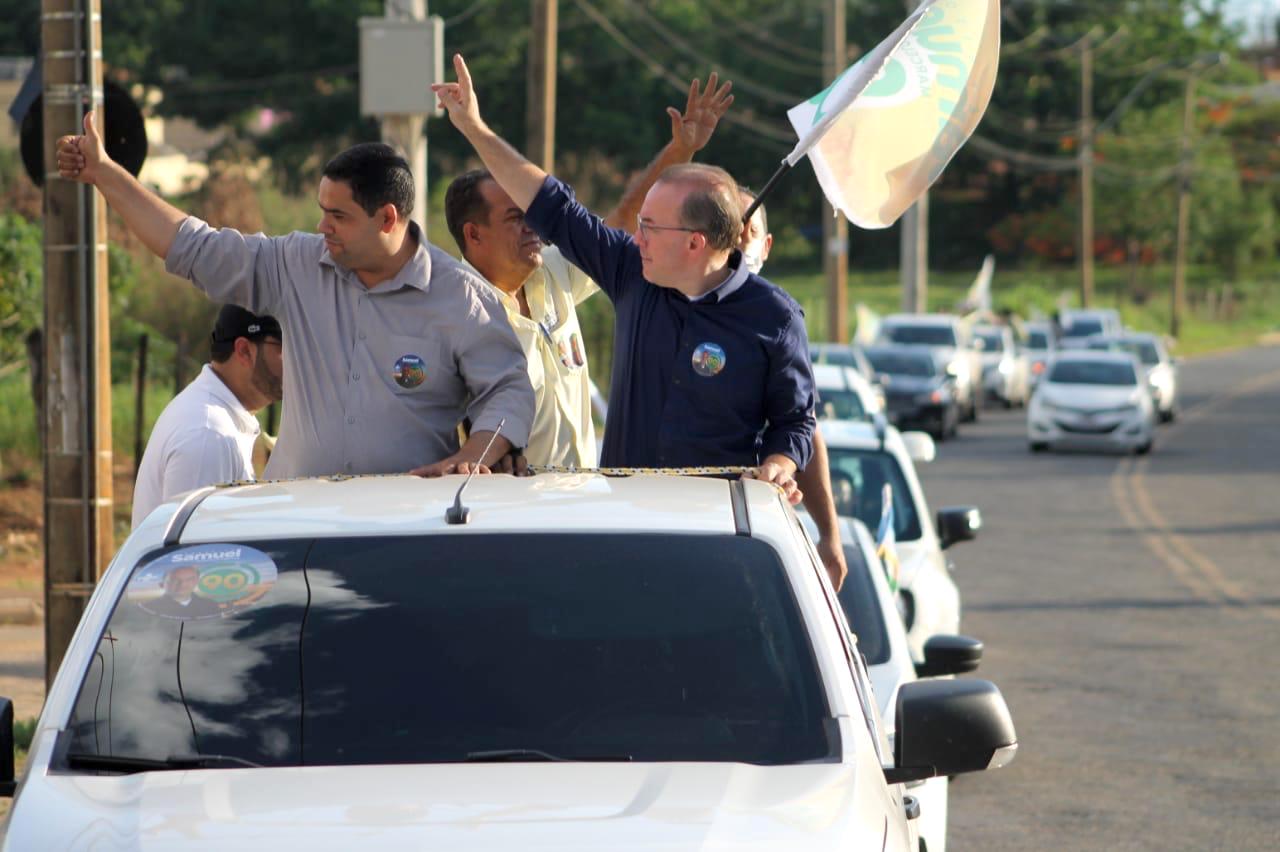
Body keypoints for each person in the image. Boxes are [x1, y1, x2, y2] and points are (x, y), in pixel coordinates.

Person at [56, 121, 534, 480]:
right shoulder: (297, 264)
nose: (323, 227)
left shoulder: (462, 298)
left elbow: (509, 391)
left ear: (388, 219)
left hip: (404, 536)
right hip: (298, 529)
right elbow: (192, 246)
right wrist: (105, 174)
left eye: (339, 216)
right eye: (322, 212)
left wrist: (468, 461)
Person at [432, 55, 814, 502]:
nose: (636, 235)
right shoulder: (631, 272)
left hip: (715, 536)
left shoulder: (776, 317)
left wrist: (778, 466)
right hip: (620, 523)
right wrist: (474, 127)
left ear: (695, 243)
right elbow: (555, 206)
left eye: (651, 227)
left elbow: (795, 422)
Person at [443, 75, 734, 467]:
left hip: (584, 505)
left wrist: (680, 149)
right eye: (516, 217)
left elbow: (623, 221)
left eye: (533, 214)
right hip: (508, 514)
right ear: (474, 234)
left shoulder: (554, 272)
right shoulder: (452, 314)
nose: (534, 225)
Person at [740, 188, 846, 589]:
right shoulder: (666, 299)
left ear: (766, 246)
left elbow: (801, 425)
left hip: (746, 524)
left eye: (751, 233)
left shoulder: (777, 320)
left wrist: (829, 536)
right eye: (733, 229)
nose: (741, 242)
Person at [131, 305, 283, 526]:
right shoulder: (209, 435)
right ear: (244, 351)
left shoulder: (215, 419)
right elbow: (195, 555)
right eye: (284, 346)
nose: (296, 359)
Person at [138, 565, 223, 620]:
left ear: (197, 582)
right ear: (162, 584)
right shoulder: (148, 608)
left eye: (189, 579)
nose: (182, 584)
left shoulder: (211, 606)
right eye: (175, 580)